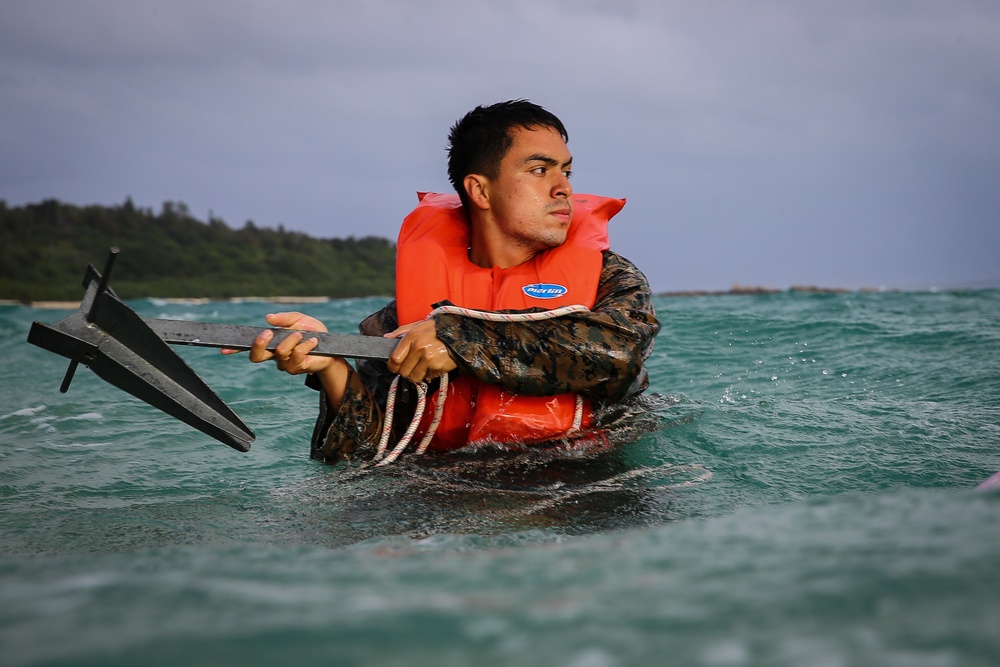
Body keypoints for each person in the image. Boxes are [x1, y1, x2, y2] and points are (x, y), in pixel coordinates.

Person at [229, 100, 660, 463]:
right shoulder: (406, 318)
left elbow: (615, 355)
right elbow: (357, 456)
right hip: (445, 490)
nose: (564, 187)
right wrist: (331, 369)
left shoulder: (611, 279)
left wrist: (460, 339)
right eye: (539, 170)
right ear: (480, 191)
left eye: (566, 170)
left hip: (582, 485)